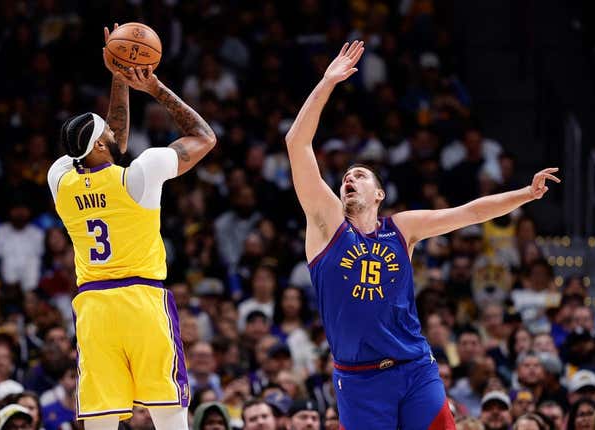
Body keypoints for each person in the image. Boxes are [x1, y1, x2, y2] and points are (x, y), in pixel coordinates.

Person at [284, 40, 561, 429]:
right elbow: (297, 143)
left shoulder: (402, 228)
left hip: (415, 368)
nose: (349, 178)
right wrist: (328, 82)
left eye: (360, 175)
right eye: (346, 176)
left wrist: (526, 194)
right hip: (359, 379)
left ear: (379, 194)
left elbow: (468, 213)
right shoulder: (327, 226)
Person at [46, 25, 216, 430]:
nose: (112, 127)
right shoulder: (139, 175)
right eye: (105, 129)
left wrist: (118, 78)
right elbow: (203, 137)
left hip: (93, 307)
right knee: (168, 412)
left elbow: (109, 143)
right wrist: (153, 86)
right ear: (101, 146)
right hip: (141, 300)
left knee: (101, 419)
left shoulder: (59, 179)